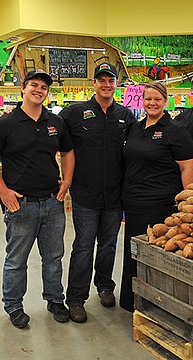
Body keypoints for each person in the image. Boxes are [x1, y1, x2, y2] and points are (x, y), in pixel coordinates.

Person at [0, 69, 75, 329]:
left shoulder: (55, 122)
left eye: (44, 87)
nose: (39, 90)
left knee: (53, 257)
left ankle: (55, 300)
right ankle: (13, 305)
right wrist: (2, 190)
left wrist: (66, 181)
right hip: (20, 205)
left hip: (52, 203)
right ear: (23, 88)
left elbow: (68, 152)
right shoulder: (5, 124)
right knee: (16, 260)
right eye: (34, 85)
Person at [58, 62, 136, 323]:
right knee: (82, 247)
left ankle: (104, 286)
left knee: (108, 246)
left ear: (116, 84)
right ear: (93, 83)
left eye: (111, 80)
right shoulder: (74, 113)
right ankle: (76, 299)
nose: (106, 84)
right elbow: (57, 145)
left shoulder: (126, 116)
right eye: (101, 80)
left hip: (114, 196)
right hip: (86, 196)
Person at [120, 82, 193, 312]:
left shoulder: (175, 130)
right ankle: (131, 298)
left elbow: (187, 168)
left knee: (154, 253)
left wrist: (189, 203)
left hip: (160, 204)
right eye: (148, 99)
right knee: (133, 251)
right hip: (133, 203)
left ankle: (154, 302)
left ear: (166, 101)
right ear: (142, 101)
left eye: (157, 99)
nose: (152, 103)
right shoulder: (135, 127)